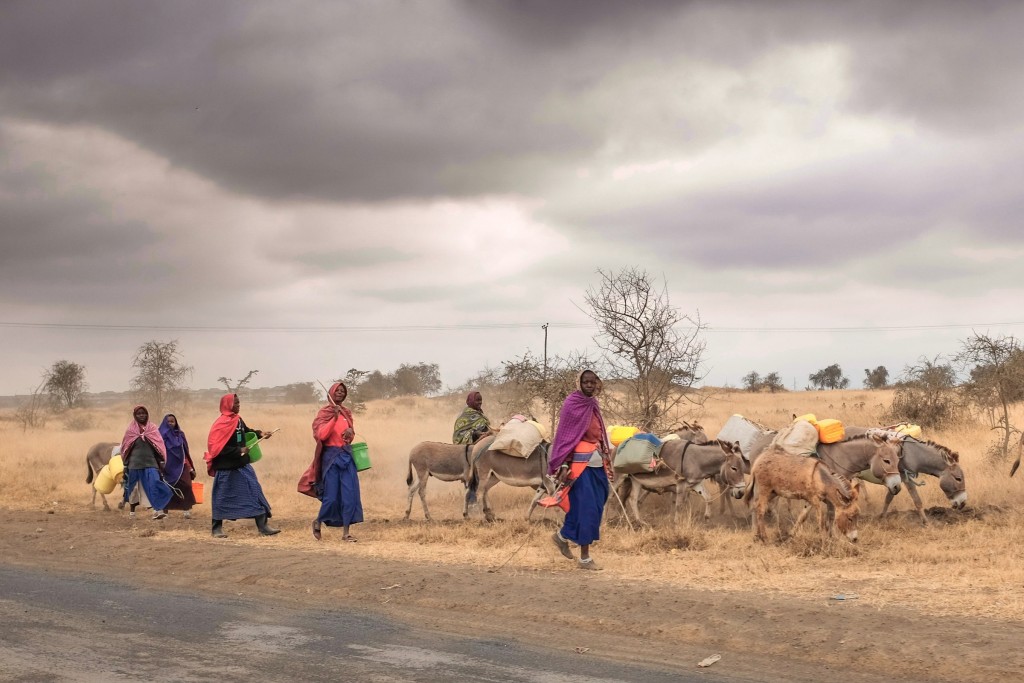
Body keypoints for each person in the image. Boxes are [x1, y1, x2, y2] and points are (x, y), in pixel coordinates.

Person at [548, 370, 612, 570]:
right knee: (587, 509)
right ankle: (585, 558)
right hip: (580, 466)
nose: (590, 385)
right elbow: (566, 436)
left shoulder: (593, 403)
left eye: (593, 382)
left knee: (598, 504)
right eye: (586, 382)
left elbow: (599, 432)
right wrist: (565, 464)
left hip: (597, 462)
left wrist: (606, 457)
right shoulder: (571, 404)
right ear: (579, 383)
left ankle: (562, 536)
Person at [204, 393, 278, 538]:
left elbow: (247, 432)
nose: (238, 405)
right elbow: (216, 448)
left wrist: (261, 433)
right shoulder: (220, 424)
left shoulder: (238, 420)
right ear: (227, 405)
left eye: (239, 403)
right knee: (221, 497)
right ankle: (216, 528)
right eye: (235, 403)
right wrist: (238, 450)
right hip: (226, 468)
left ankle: (263, 526)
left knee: (254, 491)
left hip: (241, 464)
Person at [301, 381, 364, 542]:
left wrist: (350, 432)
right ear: (331, 392)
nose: (341, 393)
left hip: (346, 457)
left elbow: (350, 436)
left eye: (343, 391)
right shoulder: (325, 413)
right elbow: (321, 435)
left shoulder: (347, 412)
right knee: (331, 497)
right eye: (338, 390)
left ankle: (346, 533)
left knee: (350, 495)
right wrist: (334, 418)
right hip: (331, 459)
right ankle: (318, 521)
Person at [121, 405, 174, 520]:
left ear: (147, 414)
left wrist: (161, 461)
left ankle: (158, 510)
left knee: (154, 484)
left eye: (143, 413)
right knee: (133, 489)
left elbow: (158, 446)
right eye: (139, 413)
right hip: (134, 464)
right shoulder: (130, 430)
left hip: (150, 463)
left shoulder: (153, 429)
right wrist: (125, 465)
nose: (141, 415)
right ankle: (132, 512)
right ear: (135, 415)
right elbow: (126, 449)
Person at [159, 414, 197, 518]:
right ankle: (165, 511)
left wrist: (190, 467)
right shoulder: (160, 435)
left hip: (182, 465)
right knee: (168, 487)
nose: (171, 423)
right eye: (169, 422)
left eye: (173, 421)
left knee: (186, 485)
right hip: (167, 466)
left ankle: (186, 510)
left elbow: (185, 452)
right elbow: (158, 451)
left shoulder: (180, 434)